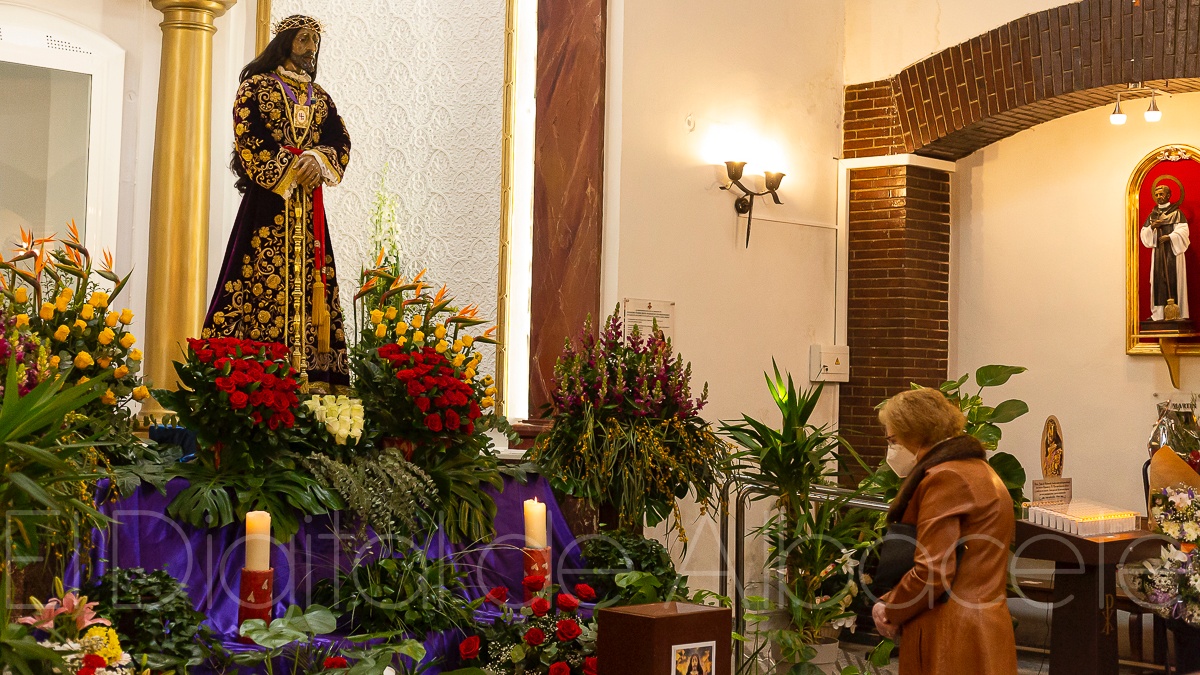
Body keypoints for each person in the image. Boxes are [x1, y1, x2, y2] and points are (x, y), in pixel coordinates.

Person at [203, 14, 352, 391]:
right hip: (268, 205)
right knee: (256, 277)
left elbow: (340, 141)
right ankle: (258, 380)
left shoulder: (321, 100)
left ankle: (317, 380)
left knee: (314, 283)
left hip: (310, 212)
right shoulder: (254, 88)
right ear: (285, 43)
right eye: (304, 41)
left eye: (315, 43)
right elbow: (248, 136)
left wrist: (317, 160)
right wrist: (291, 167)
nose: (311, 50)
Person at [871, 387, 1017, 675]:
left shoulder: (946, 477)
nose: (891, 450)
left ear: (914, 433)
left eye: (892, 440)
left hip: (950, 633)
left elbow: (933, 571)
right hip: (982, 625)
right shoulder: (977, 469)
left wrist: (890, 608)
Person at [1140, 182, 1190, 321]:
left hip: (1173, 252)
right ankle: (1159, 314)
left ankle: (1177, 313)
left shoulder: (1176, 213)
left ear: (1168, 195)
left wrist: (1170, 236)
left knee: (1174, 279)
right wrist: (1151, 227)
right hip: (1158, 253)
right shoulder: (1153, 214)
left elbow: (1183, 231)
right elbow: (1144, 233)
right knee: (1158, 279)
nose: (1158, 197)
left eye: (1161, 194)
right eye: (1156, 195)